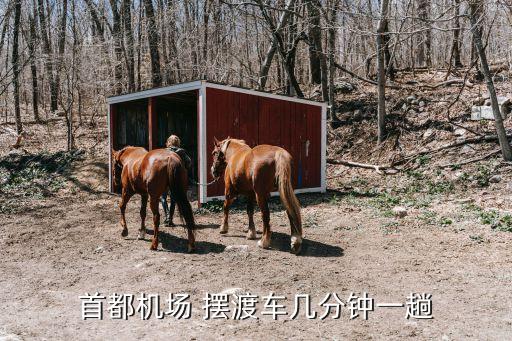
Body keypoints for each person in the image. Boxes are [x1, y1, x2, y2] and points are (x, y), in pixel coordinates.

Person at [161, 135, 193, 227]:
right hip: (176, 179)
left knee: (163, 197)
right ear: (178, 143)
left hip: (164, 178)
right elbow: (189, 162)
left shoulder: (164, 152)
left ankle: (166, 216)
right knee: (173, 198)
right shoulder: (182, 152)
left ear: (168, 142)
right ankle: (170, 218)